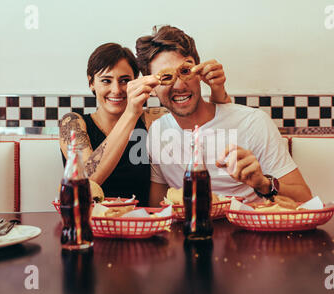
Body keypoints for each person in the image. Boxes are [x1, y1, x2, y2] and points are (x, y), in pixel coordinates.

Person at [135, 26, 312, 206]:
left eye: (186, 71)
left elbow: (305, 199)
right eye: (166, 77)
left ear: (200, 72)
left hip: (248, 231)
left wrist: (264, 183)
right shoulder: (158, 132)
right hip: (192, 231)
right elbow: (157, 208)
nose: (179, 85)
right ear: (152, 88)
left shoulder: (252, 123)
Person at [59, 42, 231, 206]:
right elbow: (87, 180)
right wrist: (131, 112)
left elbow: (213, 123)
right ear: (91, 83)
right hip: (90, 223)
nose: (116, 89)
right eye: (106, 80)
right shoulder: (73, 122)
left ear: (135, 81)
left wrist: (217, 89)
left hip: (143, 224)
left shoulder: (152, 120)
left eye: (125, 80)